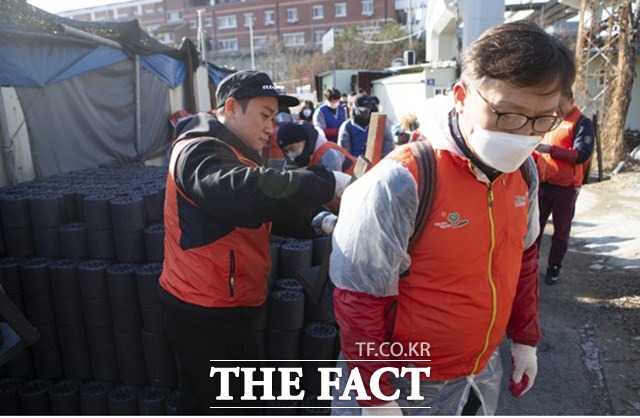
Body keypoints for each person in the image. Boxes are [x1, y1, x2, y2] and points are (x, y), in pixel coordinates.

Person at [328, 20, 575, 415]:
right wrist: (375, 397)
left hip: (477, 374)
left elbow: (523, 259)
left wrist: (525, 338)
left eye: (544, 118)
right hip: (404, 381)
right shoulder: (403, 181)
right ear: (461, 95)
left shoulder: (524, 174)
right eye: (508, 114)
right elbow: (359, 298)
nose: (524, 133)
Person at [157, 70, 351, 415]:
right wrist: (327, 182)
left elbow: (263, 213)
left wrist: (320, 221)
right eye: (263, 115)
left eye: (273, 118)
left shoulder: (236, 154)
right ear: (231, 108)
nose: (270, 128)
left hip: (231, 305)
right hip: (205, 313)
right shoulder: (198, 153)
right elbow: (245, 195)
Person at [534, 89, 595, 285]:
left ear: (571, 100)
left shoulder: (582, 123)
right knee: (534, 228)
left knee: (560, 231)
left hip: (566, 188)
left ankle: (553, 267)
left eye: (559, 103)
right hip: (543, 184)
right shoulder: (553, 120)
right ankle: (530, 264)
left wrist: (551, 150)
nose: (556, 108)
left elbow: (582, 154)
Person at [276, 121, 356, 174]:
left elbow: (331, 189)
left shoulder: (328, 154)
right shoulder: (303, 155)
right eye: (286, 151)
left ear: (303, 141)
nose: (290, 154)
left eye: (292, 148)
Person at [337, 93, 395, 159]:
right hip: (355, 165)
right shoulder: (347, 127)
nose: (366, 112)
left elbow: (389, 146)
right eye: (363, 110)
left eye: (368, 109)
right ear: (355, 109)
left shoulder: (381, 124)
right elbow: (344, 153)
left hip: (378, 164)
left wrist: (382, 163)